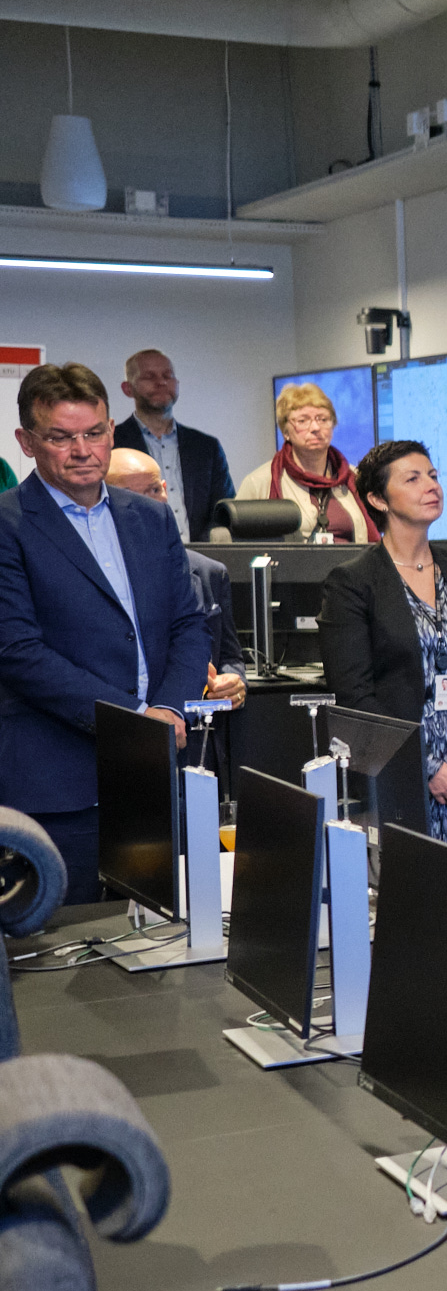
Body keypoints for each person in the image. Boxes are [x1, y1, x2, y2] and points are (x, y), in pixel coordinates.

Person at [0, 364, 206, 899]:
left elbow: (187, 624)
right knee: (65, 941)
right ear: (26, 441)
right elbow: (16, 651)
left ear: (112, 430)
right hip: (58, 787)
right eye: (60, 437)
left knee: (165, 931)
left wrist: (170, 709)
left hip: (157, 775)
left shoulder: (151, 518)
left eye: (93, 433)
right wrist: (135, 719)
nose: (82, 450)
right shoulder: (7, 523)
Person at [319, 440, 447, 839]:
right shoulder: (353, 583)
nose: (431, 486)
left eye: (433, 476)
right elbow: (355, 696)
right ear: (378, 499)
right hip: (399, 776)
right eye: (412, 479)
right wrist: (424, 766)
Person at [108, 450, 244, 705]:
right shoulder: (95, 575)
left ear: (165, 489)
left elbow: (229, 657)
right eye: (129, 493)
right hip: (123, 717)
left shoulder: (208, 572)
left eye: (153, 490)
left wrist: (233, 682)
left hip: (197, 724)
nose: (148, 502)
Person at [116, 348, 234, 541]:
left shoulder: (206, 448)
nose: (161, 382)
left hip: (201, 555)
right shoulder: (113, 445)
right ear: (127, 388)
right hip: (137, 552)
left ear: (177, 384)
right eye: (149, 377)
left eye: (167, 376)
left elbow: (224, 511)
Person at [249, 382, 374, 542]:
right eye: (303, 421)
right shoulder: (260, 482)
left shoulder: (354, 479)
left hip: (353, 559)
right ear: (285, 431)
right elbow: (239, 545)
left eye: (323, 419)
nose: (315, 427)